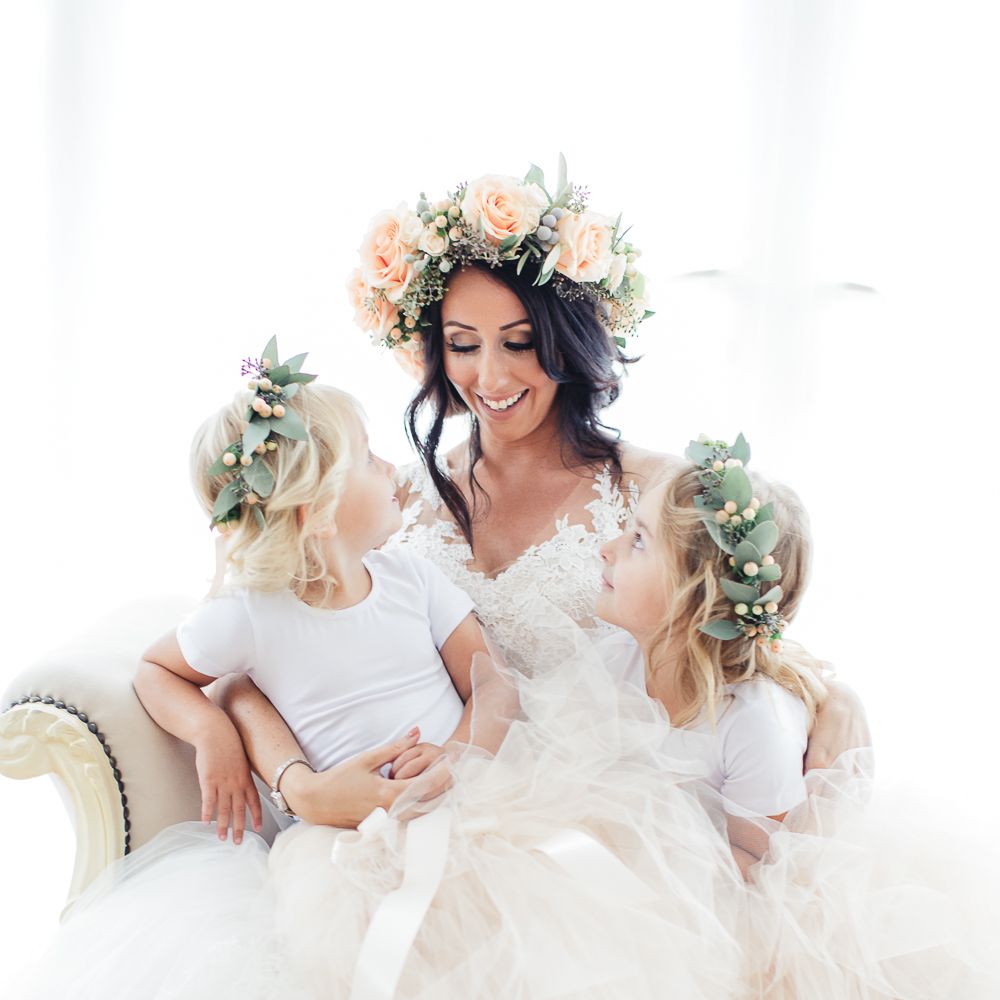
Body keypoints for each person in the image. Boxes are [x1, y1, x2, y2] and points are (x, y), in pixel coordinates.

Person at [16, 346, 753, 1000]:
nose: (395, 470)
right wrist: (210, 732)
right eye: (370, 461)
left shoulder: (409, 580)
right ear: (318, 513)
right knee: (375, 945)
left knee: (544, 919)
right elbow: (157, 669)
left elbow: (491, 683)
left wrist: (457, 756)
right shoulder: (250, 614)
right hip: (350, 841)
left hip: (476, 800)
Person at [221, 162, 870, 829]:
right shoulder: (388, 502)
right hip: (417, 820)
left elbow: (739, 632)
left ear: (569, 341)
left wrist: (836, 698)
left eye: (521, 342)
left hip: (595, 830)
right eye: (463, 344)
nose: (490, 376)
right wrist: (294, 782)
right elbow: (249, 645)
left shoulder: (653, 492)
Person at [596, 434, 1000, 997]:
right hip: (638, 877)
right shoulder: (613, 658)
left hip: (726, 916)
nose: (607, 548)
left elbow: (762, 871)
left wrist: (645, 881)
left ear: (695, 595)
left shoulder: (752, 721)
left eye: (638, 540)